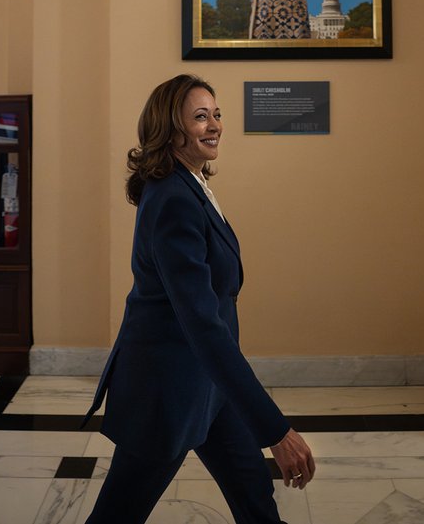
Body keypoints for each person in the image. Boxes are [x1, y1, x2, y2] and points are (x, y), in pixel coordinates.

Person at [83, 74, 314, 522]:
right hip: (167, 391)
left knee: (256, 503)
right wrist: (277, 430)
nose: (215, 125)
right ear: (172, 130)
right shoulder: (173, 199)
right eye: (200, 117)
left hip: (210, 386)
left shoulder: (188, 184)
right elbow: (203, 323)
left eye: (217, 114)